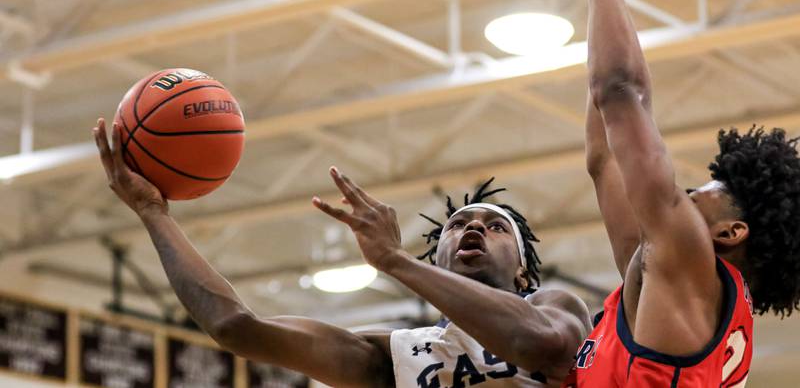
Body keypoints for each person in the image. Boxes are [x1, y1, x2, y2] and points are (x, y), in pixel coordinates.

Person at [94, 119, 590, 387]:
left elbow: (540, 347)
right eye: (457, 225)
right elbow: (236, 328)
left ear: (524, 269)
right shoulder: (396, 358)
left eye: (496, 227)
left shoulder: (556, 309)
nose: (473, 229)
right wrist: (154, 214)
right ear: (438, 257)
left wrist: (395, 260)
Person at [567, 0, 800, 387]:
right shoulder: (676, 277)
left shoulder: (689, 255)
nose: (686, 194)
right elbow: (604, 159)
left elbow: (621, 90)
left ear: (730, 232)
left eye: (701, 195)